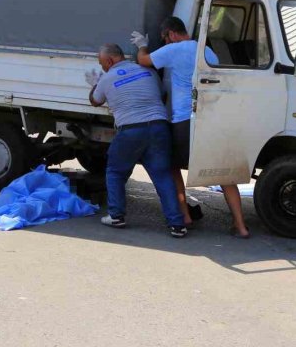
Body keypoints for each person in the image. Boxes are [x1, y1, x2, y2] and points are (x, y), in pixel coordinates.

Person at [133, 17, 251, 238]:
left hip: (184, 119)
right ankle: (241, 226)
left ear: (172, 33)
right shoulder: (207, 51)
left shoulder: (175, 49)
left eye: (165, 39)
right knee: (223, 173)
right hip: (210, 119)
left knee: (173, 166)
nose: (166, 43)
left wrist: (142, 45)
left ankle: (185, 215)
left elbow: (144, 61)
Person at [87, 43, 186, 238]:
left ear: (109, 60)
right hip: (158, 127)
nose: (101, 67)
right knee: (162, 176)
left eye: (101, 63)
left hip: (130, 131)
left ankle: (116, 215)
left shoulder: (107, 79)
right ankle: (177, 225)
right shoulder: (147, 71)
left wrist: (95, 85)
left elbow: (95, 100)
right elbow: (162, 94)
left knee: (115, 171)